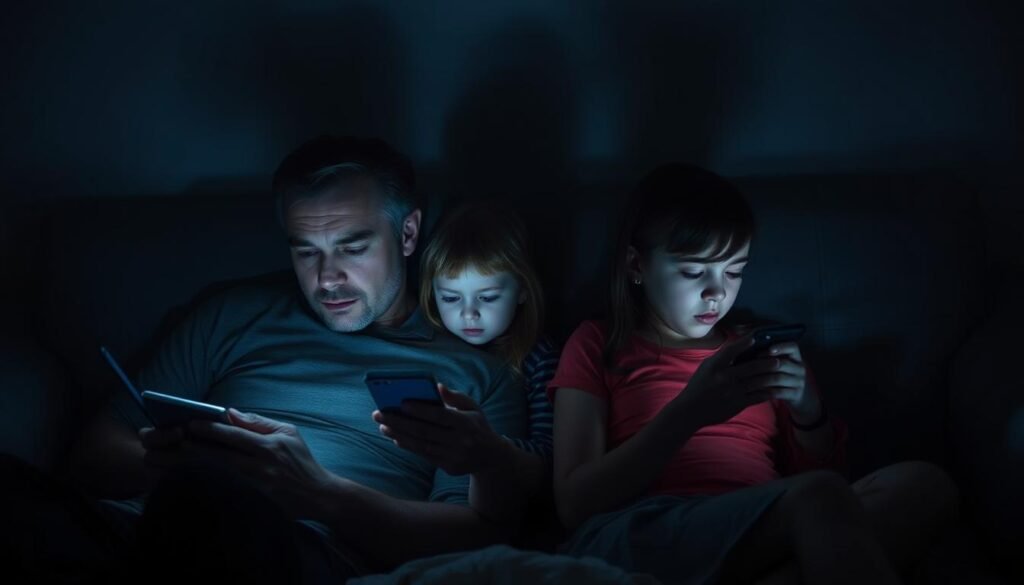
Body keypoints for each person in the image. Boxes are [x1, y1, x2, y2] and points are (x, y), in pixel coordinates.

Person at [2, 135, 528, 584]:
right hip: (139, 528)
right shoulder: (232, 313)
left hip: (295, 553)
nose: (327, 278)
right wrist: (187, 467)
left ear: (407, 234)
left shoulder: (475, 372)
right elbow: (93, 454)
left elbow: (476, 537)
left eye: (352, 248)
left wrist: (320, 494)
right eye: (306, 250)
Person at [549, 164, 959, 585]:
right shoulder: (599, 343)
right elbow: (576, 505)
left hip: (760, 524)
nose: (717, 292)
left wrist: (807, 410)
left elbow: (829, 482)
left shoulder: (753, 349)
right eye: (694, 272)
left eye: (734, 271)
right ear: (637, 265)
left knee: (925, 485)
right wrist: (689, 412)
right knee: (817, 500)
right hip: (645, 528)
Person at [373, 203, 559, 509]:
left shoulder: (539, 360)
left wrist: (486, 444)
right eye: (450, 298)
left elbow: (550, 458)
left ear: (523, 290)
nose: (469, 314)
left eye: (487, 297)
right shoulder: (433, 347)